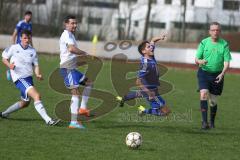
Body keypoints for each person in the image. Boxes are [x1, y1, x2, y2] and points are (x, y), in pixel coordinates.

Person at [0, 30, 60, 126]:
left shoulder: (32, 51)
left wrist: (37, 74)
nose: (27, 40)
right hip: (19, 78)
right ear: (20, 38)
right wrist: (9, 65)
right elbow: (4, 58)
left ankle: (4, 113)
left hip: (28, 79)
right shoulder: (14, 48)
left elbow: (36, 65)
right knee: (37, 96)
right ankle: (48, 120)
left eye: (28, 38)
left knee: (25, 103)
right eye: (25, 38)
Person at [116, 35, 170, 116]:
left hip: (153, 89)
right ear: (144, 51)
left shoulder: (150, 55)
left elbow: (153, 40)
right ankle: (143, 111)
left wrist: (160, 38)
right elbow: (138, 81)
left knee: (139, 94)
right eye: (148, 47)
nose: (151, 48)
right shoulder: (145, 64)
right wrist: (149, 93)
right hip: (150, 90)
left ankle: (123, 99)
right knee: (165, 112)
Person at [195, 22, 232, 129]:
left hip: (217, 75)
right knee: (203, 94)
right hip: (204, 73)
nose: (215, 32)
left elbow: (226, 62)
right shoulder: (204, 43)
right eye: (213, 30)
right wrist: (200, 61)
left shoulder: (224, 44)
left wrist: (222, 73)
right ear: (209, 31)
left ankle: (212, 121)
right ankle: (204, 122)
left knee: (213, 101)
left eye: (217, 30)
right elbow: (196, 59)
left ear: (220, 31)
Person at [59, 15, 93, 129]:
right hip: (67, 68)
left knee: (89, 83)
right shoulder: (66, 35)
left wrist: (83, 61)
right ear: (66, 24)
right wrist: (84, 53)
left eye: (75, 23)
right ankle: (73, 122)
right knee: (75, 93)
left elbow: (70, 55)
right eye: (72, 23)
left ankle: (83, 108)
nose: (75, 25)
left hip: (72, 67)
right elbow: (71, 49)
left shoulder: (71, 35)